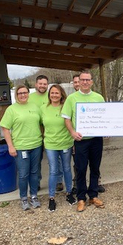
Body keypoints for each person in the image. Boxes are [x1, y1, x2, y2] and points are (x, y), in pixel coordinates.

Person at [62, 70, 105, 212]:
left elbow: (105, 116)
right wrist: (72, 132)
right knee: (80, 169)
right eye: (83, 80)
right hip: (81, 140)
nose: (85, 82)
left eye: (88, 80)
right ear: (78, 82)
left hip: (96, 140)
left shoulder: (98, 97)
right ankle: (81, 198)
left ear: (92, 82)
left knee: (95, 167)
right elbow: (66, 118)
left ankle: (93, 195)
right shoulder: (71, 98)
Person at [0, 85, 43, 211]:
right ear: (16, 95)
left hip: (36, 145)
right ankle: (24, 198)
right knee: (24, 174)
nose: (23, 95)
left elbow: (41, 123)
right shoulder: (11, 109)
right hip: (21, 147)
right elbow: (5, 128)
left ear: (28, 93)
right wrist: (10, 146)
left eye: (25, 92)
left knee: (35, 173)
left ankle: (34, 195)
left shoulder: (35, 107)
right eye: (20, 93)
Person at [41, 84, 76, 212]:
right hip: (50, 144)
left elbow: (72, 123)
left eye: (57, 93)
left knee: (67, 168)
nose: (54, 95)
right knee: (53, 170)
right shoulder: (43, 108)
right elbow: (39, 125)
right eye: (52, 93)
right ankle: (51, 197)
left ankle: (69, 193)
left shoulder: (66, 107)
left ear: (61, 94)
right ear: (49, 95)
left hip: (65, 142)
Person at [29, 74, 63, 192]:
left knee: (55, 158)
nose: (42, 86)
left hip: (52, 132)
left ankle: (58, 181)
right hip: (36, 132)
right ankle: (36, 182)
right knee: (37, 160)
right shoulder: (30, 98)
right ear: (36, 84)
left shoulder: (51, 96)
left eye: (45, 84)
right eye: (40, 83)